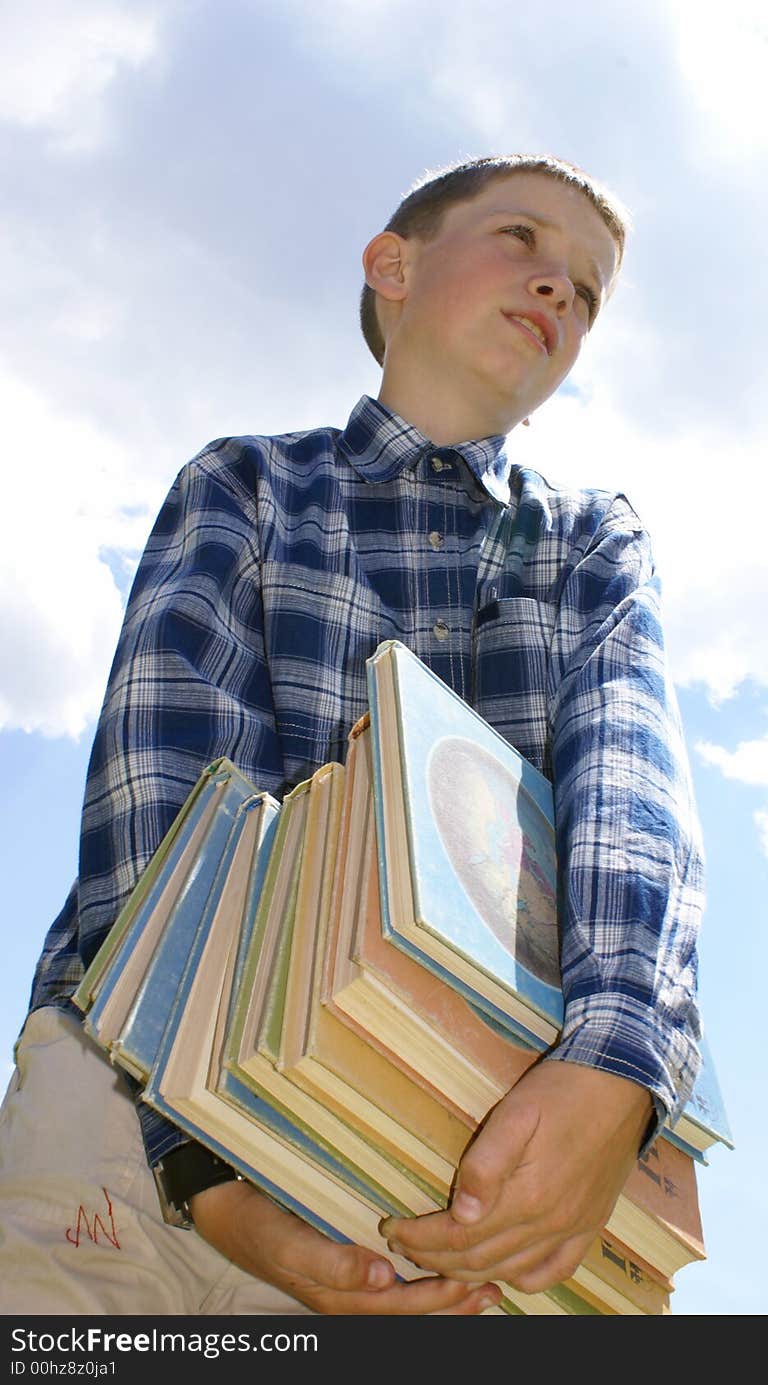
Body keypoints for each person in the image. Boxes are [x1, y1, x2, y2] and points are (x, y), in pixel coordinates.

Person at [0, 152, 704, 1316]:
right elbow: (160, 785)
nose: (556, 291)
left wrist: (618, 1062)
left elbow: (634, 791)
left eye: (585, 291)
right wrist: (205, 1153)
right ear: (393, 266)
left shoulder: (590, 548)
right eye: (522, 240)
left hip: (455, 1138)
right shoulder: (248, 484)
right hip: (136, 1116)